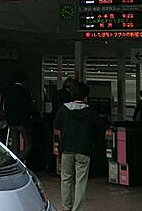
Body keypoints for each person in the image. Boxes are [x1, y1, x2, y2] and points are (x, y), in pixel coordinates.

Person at [54, 81, 103, 211]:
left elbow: (56, 125)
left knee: (66, 178)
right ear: (86, 96)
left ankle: (66, 207)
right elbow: (100, 127)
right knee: (81, 181)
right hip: (84, 149)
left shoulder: (63, 109)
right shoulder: (90, 111)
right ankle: (77, 208)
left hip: (66, 148)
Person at [4, 71, 40, 161]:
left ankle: (15, 160)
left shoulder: (8, 91)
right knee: (29, 143)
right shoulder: (25, 92)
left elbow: (5, 106)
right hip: (23, 121)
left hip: (11, 121)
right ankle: (21, 158)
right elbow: (28, 107)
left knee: (15, 144)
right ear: (23, 80)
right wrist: (36, 115)